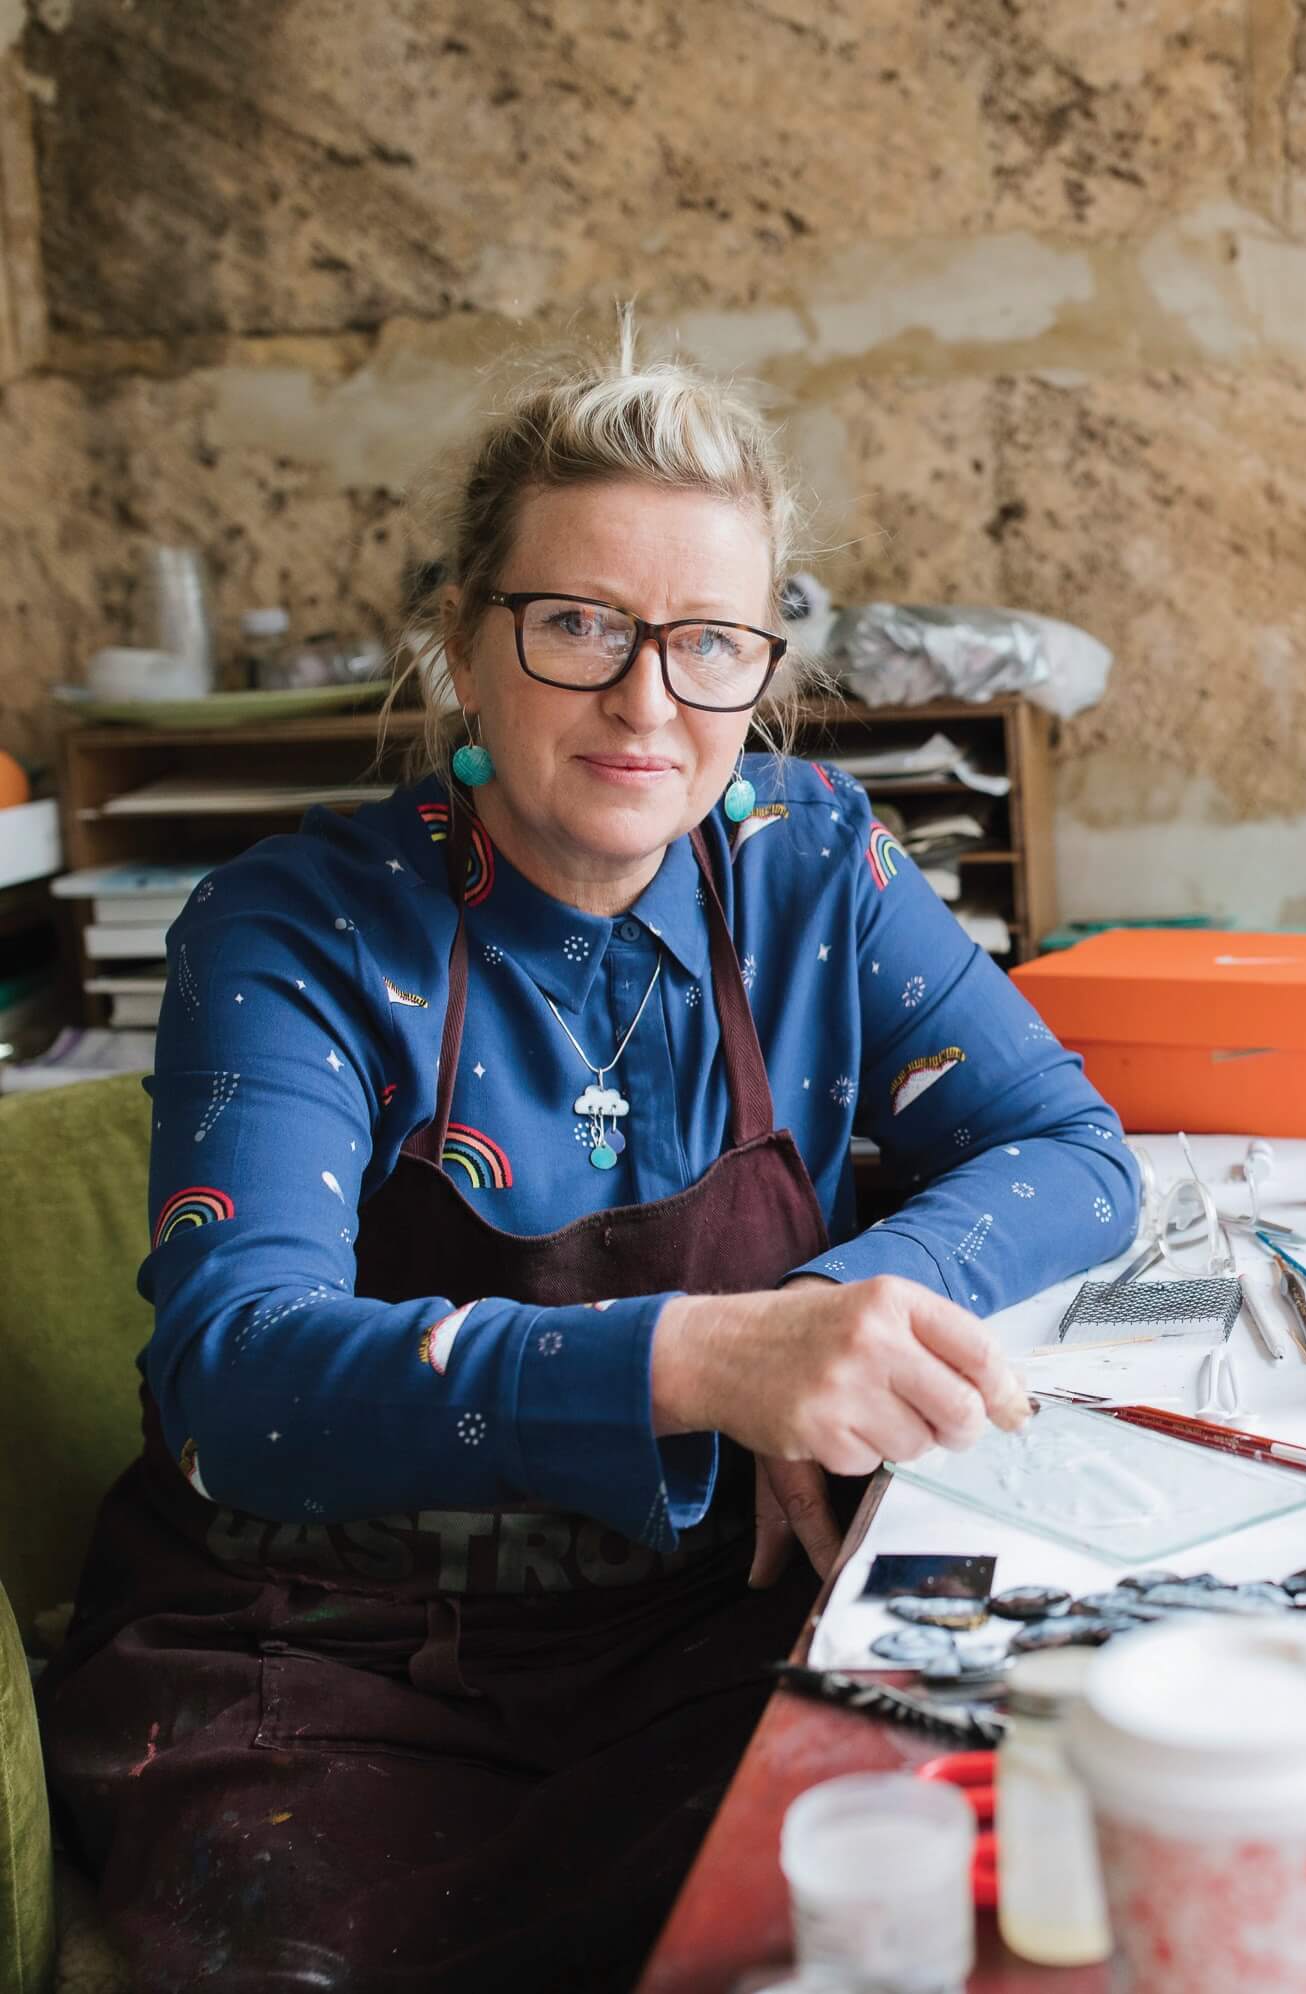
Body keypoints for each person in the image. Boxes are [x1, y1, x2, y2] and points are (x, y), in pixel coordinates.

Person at [39, 322, 1140, 1992]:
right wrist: (705, 1359)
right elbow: (234, 1378)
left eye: (708, 641)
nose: (645, 699)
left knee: (903, 1920)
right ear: (463, 645)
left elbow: (1070, 1150)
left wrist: (837, 1300)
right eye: (576, 625)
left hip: (693, 1620)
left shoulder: (811, 867)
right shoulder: (291, 930)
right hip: (316, 1653)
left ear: (763, 668)